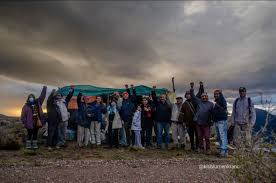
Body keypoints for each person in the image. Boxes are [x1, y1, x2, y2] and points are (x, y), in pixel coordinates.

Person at [191, 82, 214, 154]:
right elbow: (193, 96)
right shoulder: (199, 102)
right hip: (198, 122)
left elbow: (213, 114)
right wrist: (192, 88)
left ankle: (208, 149)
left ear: (207, 97)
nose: (204, 97)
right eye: (203, 96)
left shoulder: (211, 104)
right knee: (200, 136)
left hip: (207, 123)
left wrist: (212, 120)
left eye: (205, 96)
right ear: (201, 97)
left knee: (207, 137)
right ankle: (200, 148)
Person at [212, 89, 228, 157]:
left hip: (221, 121)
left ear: (220, 95)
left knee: (222, 136)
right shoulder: (217, 102)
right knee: (219, 136)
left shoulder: (222, 100)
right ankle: (223, 150)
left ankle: (223, 150)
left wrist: (221, 94)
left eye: (217, 94)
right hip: (217, 121)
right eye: (215, 94)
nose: (216, 95)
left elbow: (224, 105)